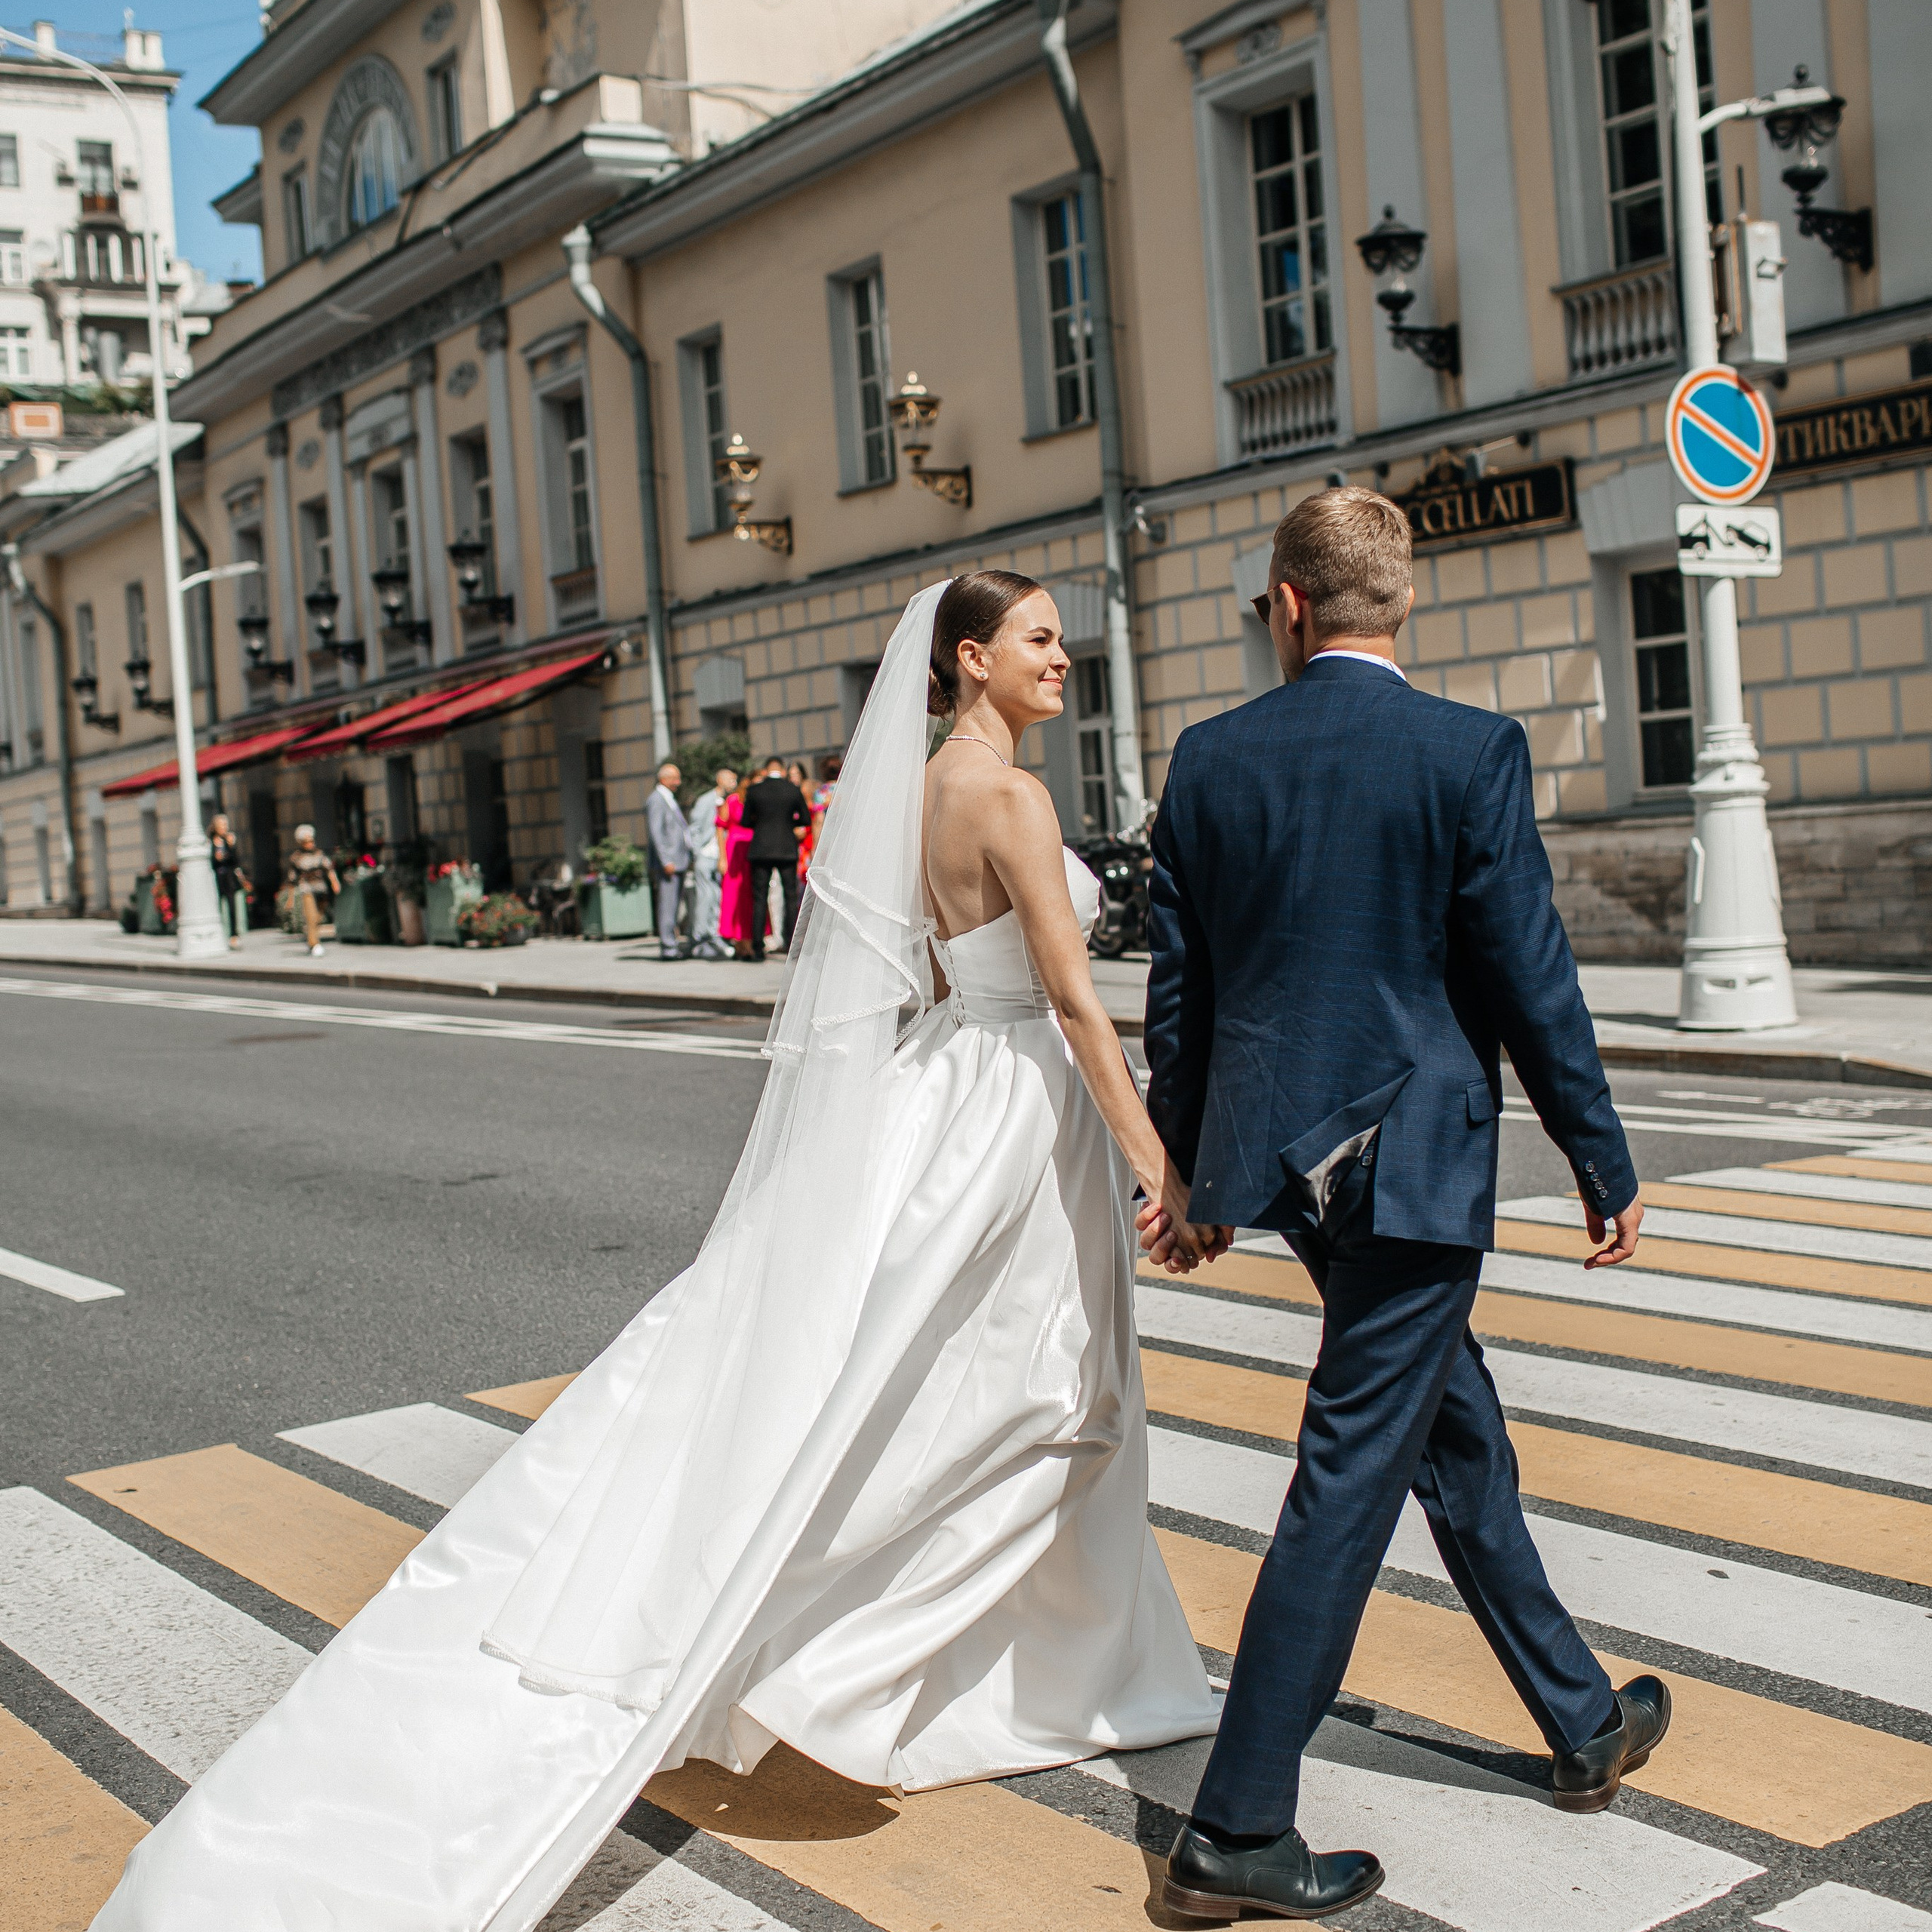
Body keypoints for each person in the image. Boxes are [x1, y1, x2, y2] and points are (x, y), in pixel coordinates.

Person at [92, 572, 1226, 1930]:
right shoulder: (1017, 798)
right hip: (1019, 1105)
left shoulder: (916, 791)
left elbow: (922, 977)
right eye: (1039, 640)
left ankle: (984, 1661)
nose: (1059, 659)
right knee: (1044, 1396)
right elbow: (1075, 1008)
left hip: (946, 1087)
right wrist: (1163, 1164)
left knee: (934, 1384)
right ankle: (858, 1661)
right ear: (971, 658)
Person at [1143, 487, 1655, 1924]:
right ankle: (1236, 1825)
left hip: (1291, 1165)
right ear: (1399, 604)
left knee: (1452, 1428)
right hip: (1415, 1165)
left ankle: (1581, 1719)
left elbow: (1182, 992)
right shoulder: (1467, 749)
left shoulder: (1209, 757)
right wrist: (1600, 1159)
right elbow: (1526, 978)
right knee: (1351, 1475)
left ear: (1291, 606)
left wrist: (1190, 1174)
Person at [740, 754, 810, 961]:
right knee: (790, 896)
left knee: (759, 898)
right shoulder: (792, 789)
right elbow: (804, 818)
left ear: (765, 770)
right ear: (782, 770)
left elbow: (745, 821)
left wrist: (761, 825)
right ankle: (791, 945)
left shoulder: (754, 791)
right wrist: (788, 824)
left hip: (761, 848)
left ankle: (758, 949)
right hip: (786, 848)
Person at [686, 766, 737, 960]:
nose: (734, 783)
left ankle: (714, 935)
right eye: (731, 780)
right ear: (720, 780)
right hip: (706, 854)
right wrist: (698, 852)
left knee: (717, 896)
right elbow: (695, 827)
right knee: (705, 896)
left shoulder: (730, 801)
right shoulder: (706, 800)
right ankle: (699, 938)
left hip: (721, 856)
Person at [643, 761, 691, 961]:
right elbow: (656, 832)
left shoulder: (667, 798)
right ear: (664, 779)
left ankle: (671, 943)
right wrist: (666, 860)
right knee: (668, 904)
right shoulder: (656, 800)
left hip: (678, 860)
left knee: (672, 905)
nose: (678, 783)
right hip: (669, 863)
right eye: (675, 778)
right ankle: (668, 947)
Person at [284, 825, 339, 959]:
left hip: (321, 888)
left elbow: (329, 869)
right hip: (306, 888)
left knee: (319, 917)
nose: (310, 844)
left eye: (311, 840)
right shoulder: (297, 858)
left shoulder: (319, 854)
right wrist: (290, 899)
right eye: (307, 841)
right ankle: (314, 943)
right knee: (311, 916)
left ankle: (312, 939)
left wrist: (334, 882)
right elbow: (292, 880)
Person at [717, 771, 755, 958]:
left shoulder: (755, 802)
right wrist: (722, 857)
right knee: (733, 897)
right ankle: (739, 943)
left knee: (748, 898)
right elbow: (720, 827)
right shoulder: (732, 800)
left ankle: (747, 942)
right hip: (734, 851)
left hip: (751, 850)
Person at [208, 813, 248, 951]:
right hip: (216, 879)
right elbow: (209, 863)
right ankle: (218, 933)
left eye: (226, 825)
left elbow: (236, 861)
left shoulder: (229, 840)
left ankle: (234, 934)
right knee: (217, 906)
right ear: (215, 827)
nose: (224, 828)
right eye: (222, 825)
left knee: (232, 906)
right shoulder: (209, 842)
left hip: (229, 878)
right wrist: (216, 858)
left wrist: (231, 847)